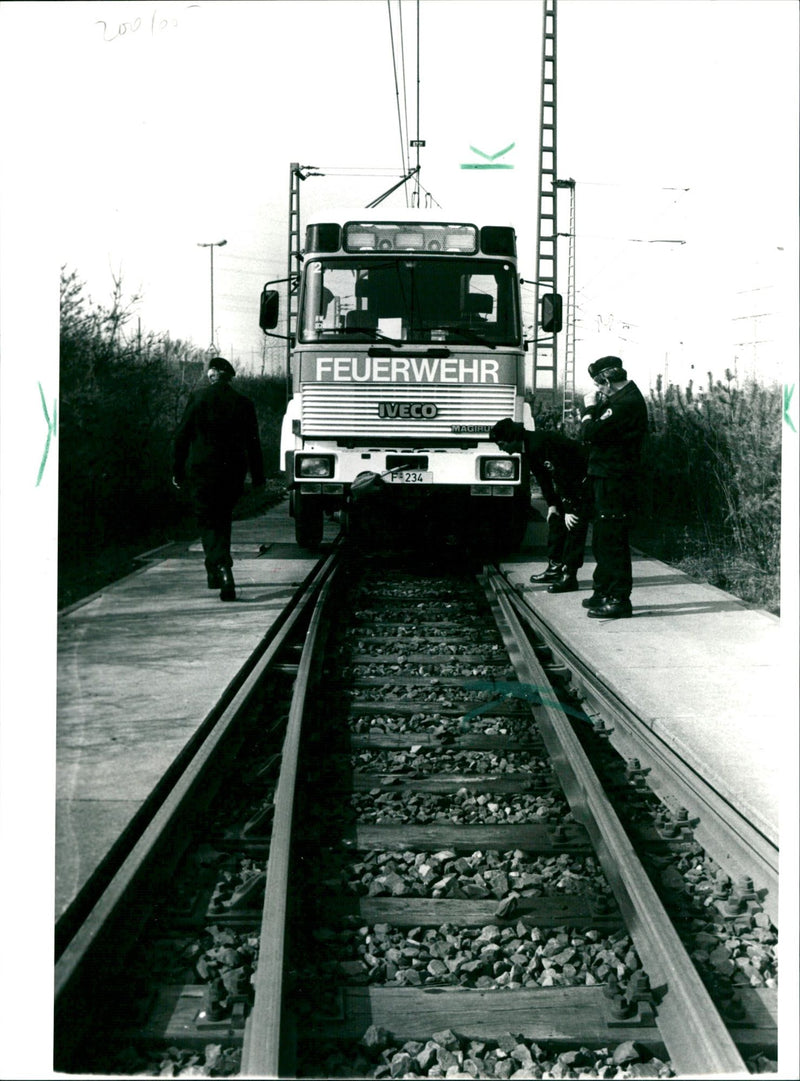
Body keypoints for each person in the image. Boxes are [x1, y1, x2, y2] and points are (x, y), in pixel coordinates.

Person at [172, 357, 265, 601]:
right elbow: (253, 444)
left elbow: (181, 437)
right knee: (221, 519)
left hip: (202, 472)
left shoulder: (199, 398)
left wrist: (177, 470)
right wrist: (258, 478)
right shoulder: (244, 403)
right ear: (228, 376)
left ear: (213, 374)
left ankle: (223, 570)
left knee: (207, 521)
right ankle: (214, 569)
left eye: (209, 370)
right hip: (231, 474)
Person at [580, 355, 648, 619]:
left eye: (600, 385)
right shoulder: (619, 401)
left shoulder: (625, 404)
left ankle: (619, 599)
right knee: (602, 538)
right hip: (607, 476)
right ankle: (605, 590)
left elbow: (591, 434)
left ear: (607, 380)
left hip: (615, 479)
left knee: (613, 540)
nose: (599, 390)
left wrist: (588, 411)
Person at [489, 419, 589, 593]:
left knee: (574, 526)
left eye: (502, 444)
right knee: (556, 521)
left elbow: (561, 474)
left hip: (581, 482)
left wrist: (570, 508)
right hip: (567, 483)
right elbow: (544, 479)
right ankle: (554, 567)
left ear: (513, 438)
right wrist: (552, 505)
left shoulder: (539, 444)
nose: (501, 448)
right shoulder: (527, 448)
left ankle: (569, 576)